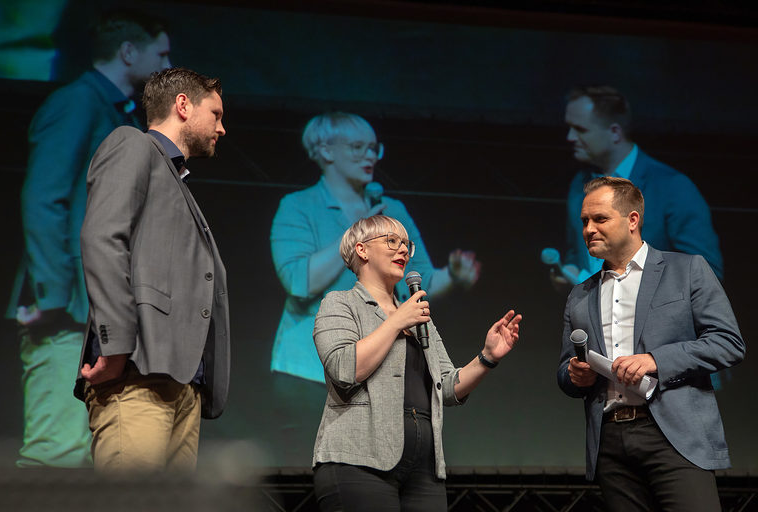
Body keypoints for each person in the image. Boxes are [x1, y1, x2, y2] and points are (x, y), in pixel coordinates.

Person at [6, 9, 171, 468]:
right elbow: (44, 198)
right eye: (161, 54)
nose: (166, 64)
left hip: (104, 307)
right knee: (56, 453)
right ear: (128, 52)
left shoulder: (119, 113)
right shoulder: (78, 102)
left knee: (98, 457)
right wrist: (53, 295)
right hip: (69, 309)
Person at [73, 67, 229, 473]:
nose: (222, 128)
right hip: (137, 372)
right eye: (215, 114)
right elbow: (102, 239)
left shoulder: (174, 177)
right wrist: (115, 345)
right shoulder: (132, 144)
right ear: (183, 106)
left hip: (179, 384)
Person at [557, 176, 744, 511]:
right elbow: (565, 369)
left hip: (675, 435)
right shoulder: (580, 294)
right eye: (584, 221)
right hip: (611, 442)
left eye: (600, 219)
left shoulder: (686, 270)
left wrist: (656, 360)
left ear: (632, 220)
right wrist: (574, 376)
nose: (588, 229)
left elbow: (728, 342)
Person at [312, 215, 522, 511]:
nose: (403, 251)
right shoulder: (340, 303)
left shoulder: (416, 315)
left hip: (423, 469)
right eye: (391, 241)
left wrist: (487, 357)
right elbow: (346, 369)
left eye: (406, 245)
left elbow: (447, 388)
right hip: (358, 462)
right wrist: (396, 321)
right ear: (362, 250)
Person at [271, 112, 481, 385]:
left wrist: (453, 277)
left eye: (373, 148)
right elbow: (300, 283)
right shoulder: (298, 206)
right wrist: (358, 229)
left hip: (382, 369)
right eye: (358, 147)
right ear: (325, 151)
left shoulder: (394, 210)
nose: (370, 156)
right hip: (309, 369)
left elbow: (420, 281)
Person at [547, 85, 723, 288]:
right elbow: (577, 253)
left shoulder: (672, 187)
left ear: (614, 132)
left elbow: (707, 273)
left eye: (580, 129)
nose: (570, 137)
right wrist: (570, 271)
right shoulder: (580, 186)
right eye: (570, 127)